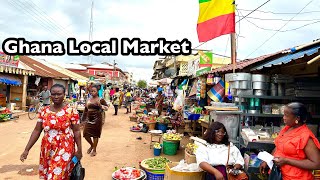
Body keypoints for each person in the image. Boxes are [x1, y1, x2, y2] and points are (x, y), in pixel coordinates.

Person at [20, 84, 82, 179]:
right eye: (53, 94)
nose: (56, 97)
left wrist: (79, 150)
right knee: (48, 174)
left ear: (64, 94)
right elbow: (37, 131)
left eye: (59, 94)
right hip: (47, 148)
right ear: (50, 95)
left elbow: (77, 131)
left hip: (64, 148)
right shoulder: (44, 111)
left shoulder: (71, 111)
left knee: (55, 176)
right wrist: (26, 149)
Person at [260, 102, 320, 180]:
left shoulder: (306, 136)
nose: (283, 118)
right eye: (284, 114)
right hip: (279, 175)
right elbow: (278, 147)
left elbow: (316, 164)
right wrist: (268, 160)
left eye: (286, 116)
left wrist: (287, 161)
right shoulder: (287, 129)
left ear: (297, 118)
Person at [82, 85, 108, 157]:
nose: (92, 92)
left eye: (94, 91)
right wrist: (83, 119)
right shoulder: (88, 100)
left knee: (95, 135)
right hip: (89, 118)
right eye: (91, 91)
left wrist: (101, 106)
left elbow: (106, 108)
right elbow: (85, 110)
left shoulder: (101, 99)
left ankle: (94, 150)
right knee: (85, 134)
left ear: (97, 92)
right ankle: (92, 145)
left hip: (97, 118)